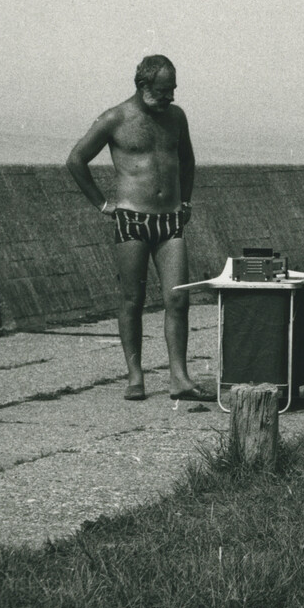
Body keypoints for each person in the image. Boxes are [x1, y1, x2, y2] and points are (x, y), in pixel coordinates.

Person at [65, 55, 204, 401]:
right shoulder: (116, 118)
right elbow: (76, 159)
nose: (169, 96)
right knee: (132, 299)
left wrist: (185, 202)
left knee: (178, 298)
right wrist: (102, 204)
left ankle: (179, 378)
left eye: (173, 89)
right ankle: (135, 376)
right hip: (132, 219)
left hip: (170, 219)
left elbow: (186, 160)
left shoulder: (177, 117)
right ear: (142, 86)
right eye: (162, 90)